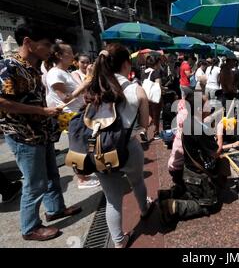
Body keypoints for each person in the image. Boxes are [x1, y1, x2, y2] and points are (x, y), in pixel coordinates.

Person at [0, 22, 81, 241]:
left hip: (40, 131)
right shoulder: (9, 65)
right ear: (28, 42)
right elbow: (3, 102)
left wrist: (47, 113)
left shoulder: (34, 66)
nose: (50, 50)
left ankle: (55, 209)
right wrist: (41, 110)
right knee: (34, 183)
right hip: (22, 134)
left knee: (51, 175)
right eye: (45, 44)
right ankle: (30, 228)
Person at [84, 44, 154, 248]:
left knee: (112, 199)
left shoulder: (94, 88)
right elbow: (144, 124)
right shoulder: (136, 89)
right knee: (138, 182)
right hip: (128, 147)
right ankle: (144, 209)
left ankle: (118, 241)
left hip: (99, 149)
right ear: (126, 64)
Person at [159, 90, 227, 224]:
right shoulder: (198, 128)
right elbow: (216, 151)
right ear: (198, 108)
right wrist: (219, 132)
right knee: (210, 205)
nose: (210, 107)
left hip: (188, 171)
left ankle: (170, 193)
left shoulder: (189, 121)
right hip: (197, 176)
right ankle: (173, 206)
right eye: (207, 104)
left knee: (193, 193)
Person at [44, 41, 99, 189]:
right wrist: (87, 81)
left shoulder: (64, 72)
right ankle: (81, 178)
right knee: (78, 146)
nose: (72, 56)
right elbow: (66, 98)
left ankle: (85, 171)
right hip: (70, 115)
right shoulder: (55, 73)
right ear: (59, 55)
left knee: (85, 144)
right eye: (69, 53)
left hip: (77, 113)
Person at [145, 54, 164, 140]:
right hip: (154, 98)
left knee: (149, 116)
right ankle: (156, 133)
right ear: (156, 64)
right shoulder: (156, 72)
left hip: (146, 97)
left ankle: (144, 130)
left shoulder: (144, 72)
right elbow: (158, 86)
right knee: (155, 116)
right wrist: (164, 89)